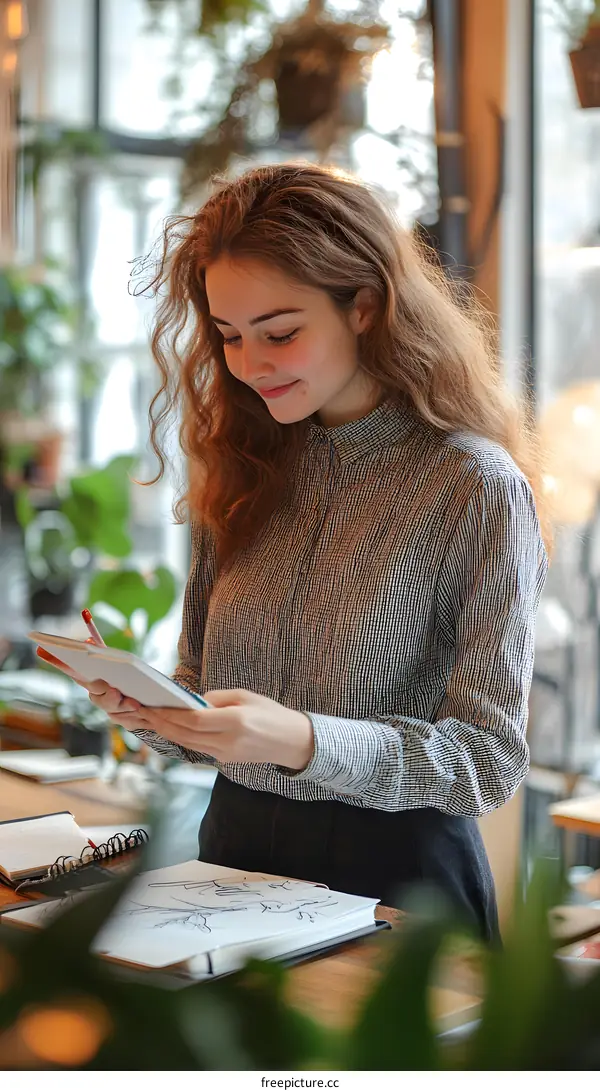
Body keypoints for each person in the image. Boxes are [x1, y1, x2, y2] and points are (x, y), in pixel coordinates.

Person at [44, 163, 551, 942]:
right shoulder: (243, 465)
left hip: (402, 887)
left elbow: (487, 760)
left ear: (366, 307)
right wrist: (152, 709)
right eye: (229, 336)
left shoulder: (474, 486)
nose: (249, 365)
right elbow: (201, 689)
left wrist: (304, 740)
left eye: (280, 332)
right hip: (230, 861)